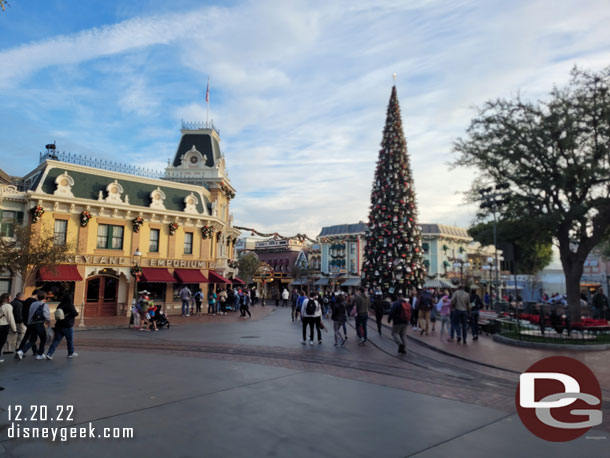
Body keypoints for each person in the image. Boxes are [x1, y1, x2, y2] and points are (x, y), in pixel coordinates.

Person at [17, 291, 50, 360]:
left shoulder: (33, 304)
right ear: (44, 297)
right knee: (43, 339)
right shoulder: (44, 305)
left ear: (37, 296)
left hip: (32, 324)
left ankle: (21, 351)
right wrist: (48, 321)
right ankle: (40, 354)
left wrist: (29, 322)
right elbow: (46, 315)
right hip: (39, 324)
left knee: (32, 339)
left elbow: (30, 314)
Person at [45, 294, 79, 359]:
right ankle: (71, 353)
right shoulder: (70, 305)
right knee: (69, 340)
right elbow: (75, 314)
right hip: (67, 325)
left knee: (56, 340)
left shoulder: (60, 305)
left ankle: (49, 353)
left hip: (58, 325)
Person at [0, 293, 17, 363]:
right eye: (10, 297)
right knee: (1, 342)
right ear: (7, 299)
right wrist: (14, 328)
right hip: (3, 326)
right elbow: (10, 318)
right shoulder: (7, 306)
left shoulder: (1, 305)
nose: (11, 299)